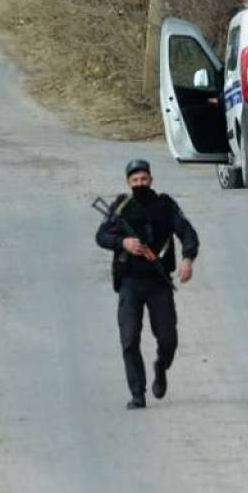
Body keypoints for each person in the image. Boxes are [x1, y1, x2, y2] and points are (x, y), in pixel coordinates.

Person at [95, 159, 199, 410]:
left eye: (143, 179)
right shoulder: (121, 206)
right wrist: (123, 243)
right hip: (129, 282)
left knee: (168, 339)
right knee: (129, 339)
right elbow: (101, 235)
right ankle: (137, 393)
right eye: (135, 180)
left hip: (158, 282)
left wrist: (187, 258)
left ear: (151, 179)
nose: (140, 184)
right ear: (128, 182)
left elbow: (187, 232)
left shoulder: (165, 205)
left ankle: (160, 367)